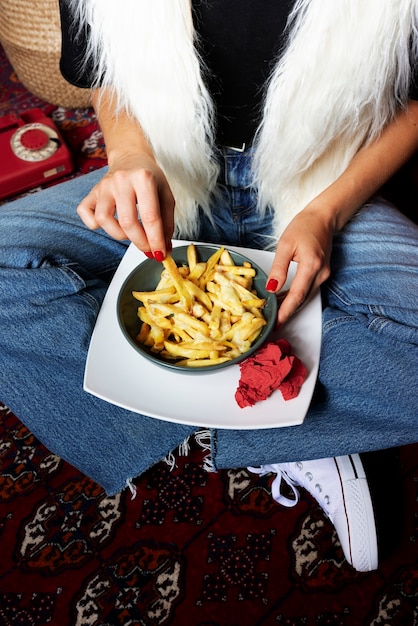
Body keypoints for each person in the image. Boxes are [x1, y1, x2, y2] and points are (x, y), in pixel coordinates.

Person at [1, 0, 417, 573]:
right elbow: (107, 68)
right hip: (170, 175)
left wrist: (327, 213)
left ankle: (283, 431)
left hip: (325, 177)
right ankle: (291, 415)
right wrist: (128, 156)